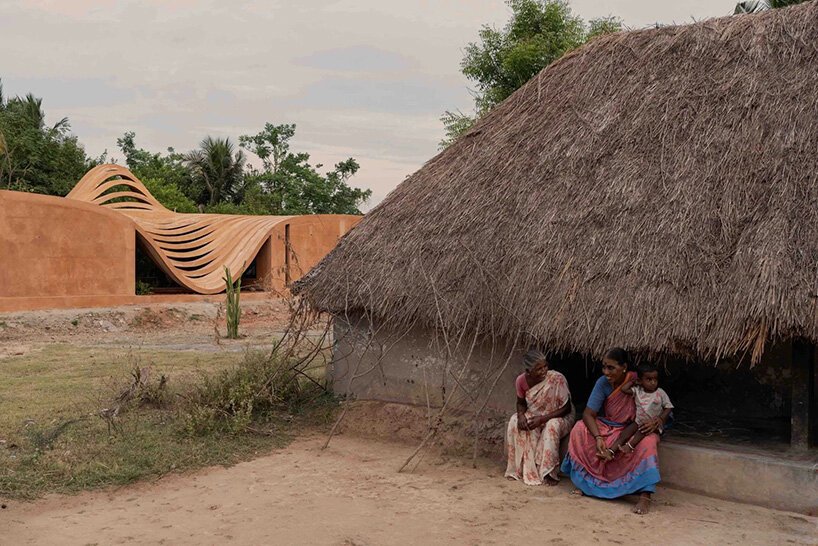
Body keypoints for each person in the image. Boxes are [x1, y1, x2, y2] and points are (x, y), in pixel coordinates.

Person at [560, 348, 666, 514]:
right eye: (604, 367)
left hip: (634, 428)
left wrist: (657, 421)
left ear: (624, 367)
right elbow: (589, 413)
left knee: (649, 441)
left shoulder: (638, 380)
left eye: (611, 368)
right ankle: (588, 485)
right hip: (608, 426)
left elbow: (661, 403)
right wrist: (598, 437)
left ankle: (645, 496)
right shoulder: (602, 383)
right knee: (580, 428)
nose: (606, 372)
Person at [504, 349, 575, 486]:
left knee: (551, 426)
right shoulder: (521, 381)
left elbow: (566, 408)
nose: (544, 371)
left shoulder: (556, 378)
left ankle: (548, 472)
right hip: (536, 414)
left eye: (545, 366)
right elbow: (521, 403)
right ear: (528, 371)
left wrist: (542, 419)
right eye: (539, 369)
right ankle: (520, 469)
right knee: (514, 420)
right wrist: (520, 416)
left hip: (560, 416)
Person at [608, 363, 673, 455]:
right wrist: (633, 382)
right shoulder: (638, 391)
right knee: (625, 433)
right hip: (638, 421)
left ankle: (630, 446)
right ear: (640, 380)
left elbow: (668, 407)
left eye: (655, 379)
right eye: (649, 379)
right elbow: (624, 389)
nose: (653, 382)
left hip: (652, 424)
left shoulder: (660, 393)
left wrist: (660, 419)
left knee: (642, 431)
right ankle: (610, 451)